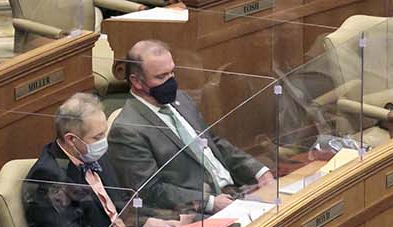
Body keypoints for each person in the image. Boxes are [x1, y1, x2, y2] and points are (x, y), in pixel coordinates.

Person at [108, 40, 273, 216]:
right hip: (199, 211)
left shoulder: (182, 99)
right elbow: (150, 190)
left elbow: (214, 142)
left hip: (237, 192)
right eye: (161, 77)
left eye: (172, 73)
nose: (170, 81)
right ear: (136, 81)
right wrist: (209, 203)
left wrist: (259, 171)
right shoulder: (127, 130)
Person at [25, 93, 175, 227]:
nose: (104, 141)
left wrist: (163, 218)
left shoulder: (91, 153)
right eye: (98, 136)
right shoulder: (49, 177)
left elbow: (121, 203)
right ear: (71, 140)